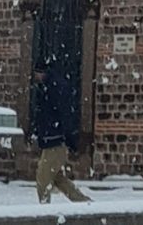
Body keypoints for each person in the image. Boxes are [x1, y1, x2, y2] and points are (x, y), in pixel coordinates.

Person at [29, 53, 88, 202]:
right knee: (58, 179)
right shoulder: (50, 87)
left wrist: (68, 137)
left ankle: (45, 212)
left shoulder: (53, 88)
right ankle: (86, 204)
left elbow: (63, 115)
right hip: (53, 140)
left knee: (42, 179)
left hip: (54, 141)